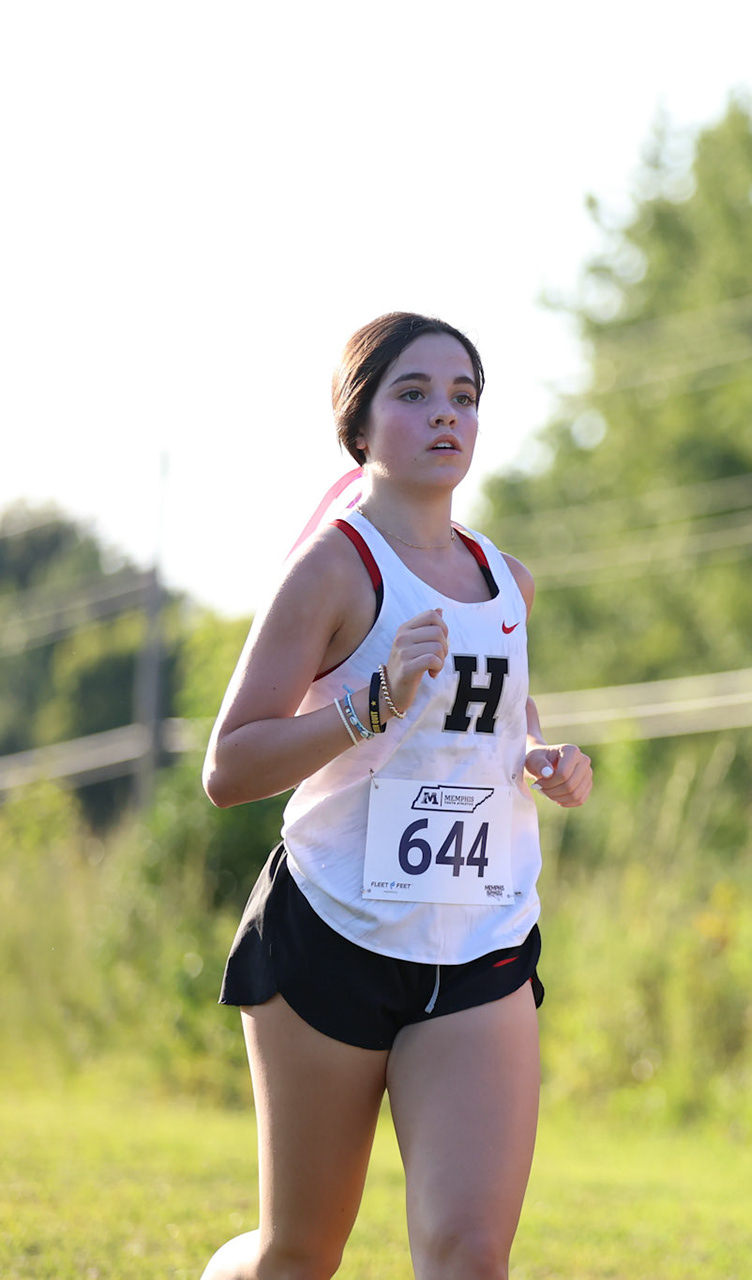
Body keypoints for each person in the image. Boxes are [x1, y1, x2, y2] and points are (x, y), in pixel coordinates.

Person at [199, 312, 592, 1280]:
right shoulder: (333, 568)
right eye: (412, 394)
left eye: (464, 396)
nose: (444, 414)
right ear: (360, 424)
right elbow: (229, 766)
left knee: (468, 1252)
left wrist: (544, 755)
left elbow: (504, 701)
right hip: (332, 931)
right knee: (299, 1252)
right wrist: (368, 708)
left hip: (478, 940)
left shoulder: (509, 579)